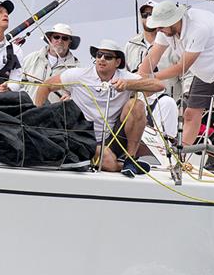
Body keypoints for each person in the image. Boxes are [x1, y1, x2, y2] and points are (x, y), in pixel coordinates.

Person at [140, 1, 214, 177]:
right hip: (204, 66)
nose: (158, 30)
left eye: (161, 27)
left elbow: (182, 67)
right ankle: (179, 159)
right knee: (190, 113)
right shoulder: (164, 30)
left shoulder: (199, 27)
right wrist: (139, 77)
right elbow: (153, 57)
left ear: (173, 21)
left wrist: (152, 78)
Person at [34, 39, 164, 176]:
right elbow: (45, 86)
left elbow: (159, 86)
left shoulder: (125, 77)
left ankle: (130, 159)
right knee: (107, 162)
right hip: (85, 138)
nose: (102, 59)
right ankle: (122, 165)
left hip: (114, 138)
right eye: (99, 55)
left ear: (117, 62)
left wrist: (128, 85)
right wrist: (37, 121)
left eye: (108, 57)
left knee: (137, 105)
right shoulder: (78, 75)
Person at [124, 1, 181, 138]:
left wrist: (186, 100)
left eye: (151, 14)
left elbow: (187, 73)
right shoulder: (130, 45)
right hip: (138, 105)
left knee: (166, 146)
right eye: (144, 14)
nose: (148, 17)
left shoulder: (173, 43)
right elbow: (124, 73)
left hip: (169, 104)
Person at [21, 23, 80, 104]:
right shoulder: (30, 58)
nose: (60, 41)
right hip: (27, 113)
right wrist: (8, 88)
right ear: (50, 39)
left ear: (69, 42)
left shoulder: (77, 69)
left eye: (65, 38)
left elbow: (82, 95)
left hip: (56, 115)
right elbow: (16, 82)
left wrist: (71, 98)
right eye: (56, 37)